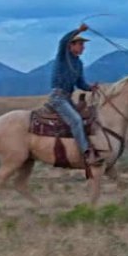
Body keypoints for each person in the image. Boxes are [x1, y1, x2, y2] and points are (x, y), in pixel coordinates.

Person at [48, 23, 100, 165]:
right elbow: (62, 41)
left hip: (67, 98)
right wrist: (78, 30)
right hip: (58, 97)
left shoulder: (79, 63)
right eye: (80, 44)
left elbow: (80, 83)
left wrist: (90, 88)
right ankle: (86, 153)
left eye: (83, 44)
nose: (83, 47)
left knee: (86, 118)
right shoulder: (62, 57)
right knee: (76, 120)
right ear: (71, 46)